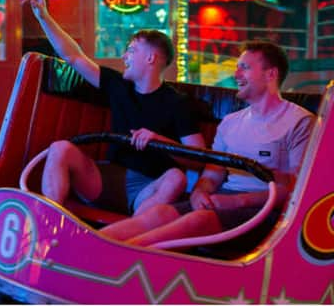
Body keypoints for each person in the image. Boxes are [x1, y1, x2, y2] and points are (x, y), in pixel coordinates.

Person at [100, 40, 316, 247]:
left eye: (245, 68)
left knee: (197, 221)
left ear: (271, 74)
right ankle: (88, 245)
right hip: (222, 201)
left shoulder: (300, 121)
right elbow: (212, 175)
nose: (236, 74)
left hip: (266, 210)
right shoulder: (230, 123)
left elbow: (296, 189)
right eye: (237, 67)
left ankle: (117, 258)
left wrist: (237, 201)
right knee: (160, 213)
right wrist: (199, 192)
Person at [22, 0, 206, 216]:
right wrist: (43, 17)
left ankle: (130, 235)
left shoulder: (177, 103)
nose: (124, 55)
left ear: (151, 58)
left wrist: (158, 140)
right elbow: (74, 57)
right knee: (60, 148)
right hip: (107, 179)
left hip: (149, 188)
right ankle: (50, 222)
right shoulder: (117, 85)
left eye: (131, 50)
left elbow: (198, 158)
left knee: (176, 177)